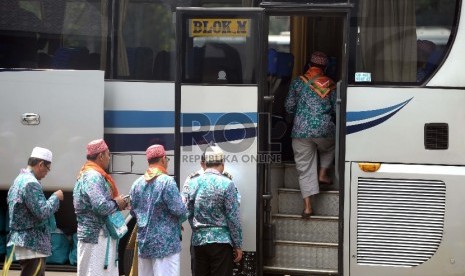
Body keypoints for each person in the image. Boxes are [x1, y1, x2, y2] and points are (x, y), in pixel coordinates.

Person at [285, 51, 336, 219]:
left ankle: (307, 207)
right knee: (331, 145)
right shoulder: (330, 83)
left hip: (300, 131)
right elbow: (337, 109)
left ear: (308, 65)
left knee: (304, 169)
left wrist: (297, 117)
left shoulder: (297, 83)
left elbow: (289, 107)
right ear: (325, 67)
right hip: (324, 130)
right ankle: (323, 173)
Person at [129, 144, 186, 276]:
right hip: (166, 246)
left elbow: (133, 212)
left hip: (145, 244)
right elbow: (180, 211)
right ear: (163, 159)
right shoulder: (167, 182)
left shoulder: (137, 183)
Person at [73, 139, 128, 276]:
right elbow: (101, 206)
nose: (109, 158)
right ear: (101, 156)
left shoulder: (88, 174)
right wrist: (117, 203)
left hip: (95, 237)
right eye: (108, 154)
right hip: (96, 237)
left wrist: (117, 202)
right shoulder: (93, 177)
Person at [186, 146, 243, 276]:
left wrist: (197, 229)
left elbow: (188, 212)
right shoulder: (227, 184)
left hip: (198, 242)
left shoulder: (193, 183)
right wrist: (237, 244)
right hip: (221, 243)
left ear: (205, 163)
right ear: (222, 163)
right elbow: (233, 217)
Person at [7, 146, 64, 276]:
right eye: (47, 168)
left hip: (25, 241)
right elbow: (42, 213)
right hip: (32, 243)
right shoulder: (30, 183)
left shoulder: (20, 179)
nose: (46, 173)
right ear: (40, 164)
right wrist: (56, 197)